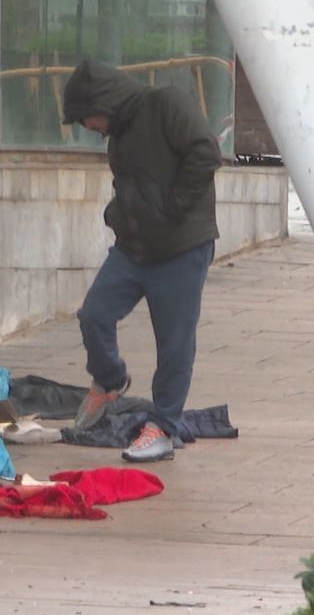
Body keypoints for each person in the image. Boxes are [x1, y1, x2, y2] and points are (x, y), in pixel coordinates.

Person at [62, 60, 223, 463]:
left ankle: (164, 428)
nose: (88, 127)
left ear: (103, 102)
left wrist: (175, 209)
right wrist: (117, 216)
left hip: (181, 247)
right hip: (133, 249)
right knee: (94, 314)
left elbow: (205, 153)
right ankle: (110, 379)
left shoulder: (166, 103)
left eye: (86, 118)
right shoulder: (118, 136)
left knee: (174, 343)